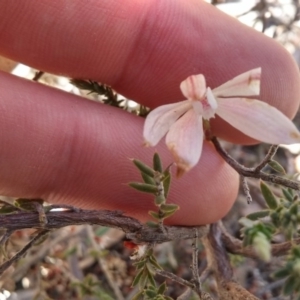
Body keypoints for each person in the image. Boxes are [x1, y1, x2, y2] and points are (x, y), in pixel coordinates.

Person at [0, 0, 299, 226]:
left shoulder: (232, 95)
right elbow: (156, 130)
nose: (201, 97)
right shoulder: (174, 113)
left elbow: (266, 115)